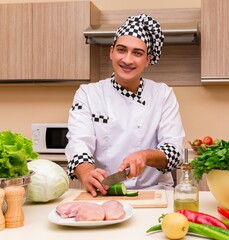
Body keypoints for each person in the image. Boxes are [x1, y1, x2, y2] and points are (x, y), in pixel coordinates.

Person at [65, 14, 185, 197]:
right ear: (111, 52)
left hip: (155, 192)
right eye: (122, 50)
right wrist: (86, 172)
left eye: (137, 53)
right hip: (105, 192)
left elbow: (175, 151)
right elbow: (79, 143)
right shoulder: (88, 94)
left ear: (147, 60)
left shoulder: (163, 94)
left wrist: (144, 156)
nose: (127, 60)